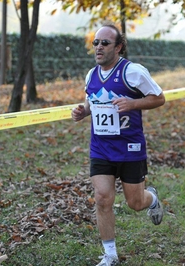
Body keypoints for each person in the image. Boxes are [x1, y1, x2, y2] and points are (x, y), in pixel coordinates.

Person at [71, 24, 165, 266]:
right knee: (102, 198)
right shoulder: (91, 75)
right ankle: (110, 255)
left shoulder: (133, 72)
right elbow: (93, 102)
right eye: (96, 43)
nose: (99, 47)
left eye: (105, 43)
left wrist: (133, 104)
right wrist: (84, 112)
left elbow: (159, 98)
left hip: (130, 147)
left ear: (119, 47)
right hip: (100, 147)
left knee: (135, 203)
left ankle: (151, 199)